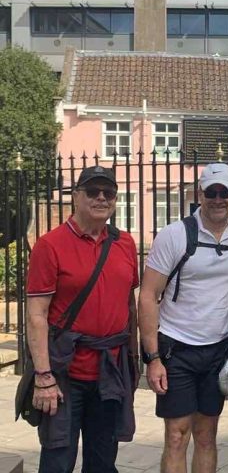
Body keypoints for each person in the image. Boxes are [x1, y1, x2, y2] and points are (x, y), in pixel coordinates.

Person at [26, 166, 139, 473]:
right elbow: (36, 315)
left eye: (109, 193)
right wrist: (43, 377)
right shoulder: (50, 245)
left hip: (109, 372)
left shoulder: (125, 243)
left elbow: (129, 305)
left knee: (103, 461)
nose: (101, 198)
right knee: (57, 460)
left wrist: (134, 361)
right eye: (92, 191)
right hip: (64, 374)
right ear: (76, 196)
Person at [138, 163, 228, 473]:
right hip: (178, 348)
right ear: (201, 194)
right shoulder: (175, 235)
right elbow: (148, 295)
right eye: (212, 192)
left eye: (224, 192)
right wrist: (153, 357)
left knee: (207, 436)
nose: (218, 199)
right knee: (176, 435)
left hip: (218, 350)